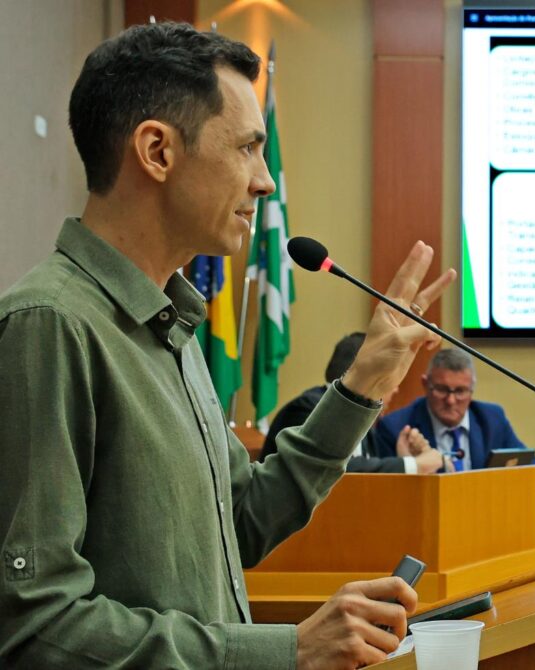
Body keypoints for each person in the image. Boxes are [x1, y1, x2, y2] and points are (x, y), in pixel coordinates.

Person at [0, 23, 454, 669]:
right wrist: (287, 651)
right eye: (247, 148)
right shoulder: (50, 326)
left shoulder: (172, 328)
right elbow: (35, 627)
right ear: (157, 151)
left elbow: (237, 525)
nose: (264, 182)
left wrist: (358, 390)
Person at [260, 332, 444, 473]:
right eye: (389, 378)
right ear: (366, 375)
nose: (395, 388)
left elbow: (367, 479)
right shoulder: (308, 409)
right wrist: (412, 464)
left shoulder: (365, 422)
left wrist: (402, 458)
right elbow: (335, 471)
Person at [375, 348, 527, 470]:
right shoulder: (395, 428)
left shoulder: (492, 419)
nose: (451, 400)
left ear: (471, 390)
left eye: (460, 391)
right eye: (442, 389)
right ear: (425, 384)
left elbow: (528, 464)